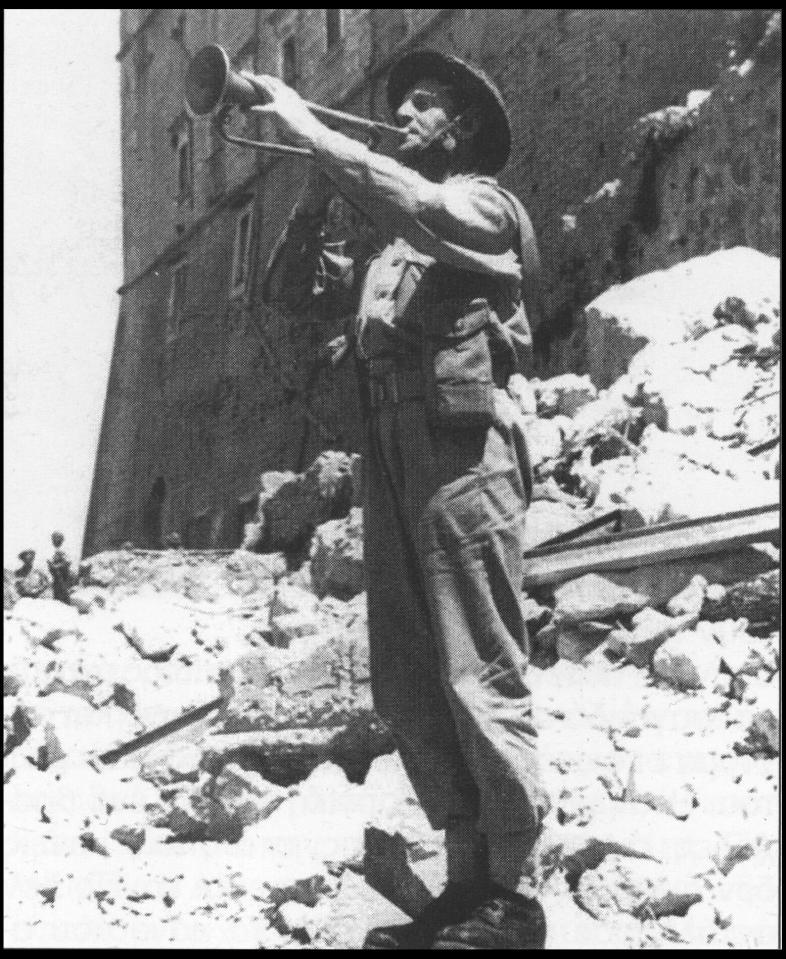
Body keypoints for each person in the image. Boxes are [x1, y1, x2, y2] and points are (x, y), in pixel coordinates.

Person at [259, 49, 550, 950]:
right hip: (390, 453)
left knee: (478, 663)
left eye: (424, 105)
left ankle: (516, 889)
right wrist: (315, 178)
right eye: (406, 105)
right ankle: (466, 884)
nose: (406, 114)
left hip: (463, 453)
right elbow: (287, 291)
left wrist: (314, 129)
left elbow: (421, 205)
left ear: (460, 129)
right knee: (411, 674)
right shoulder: (386, 245)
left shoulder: (483, 206)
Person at [48, 531, 73, 605]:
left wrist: (57, 566)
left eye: (57, 538)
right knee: (56, 591)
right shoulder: (51, 550)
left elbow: (68, 562)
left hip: (63, 574)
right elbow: (49, 561)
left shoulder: (65, 549)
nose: (55, 540)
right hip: (54, 574)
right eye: (54, 538)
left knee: (64, 590)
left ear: (61, 539)